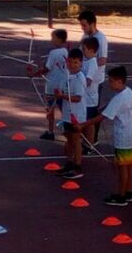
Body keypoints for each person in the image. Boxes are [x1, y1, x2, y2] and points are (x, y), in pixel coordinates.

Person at [88, 65, 132, 206]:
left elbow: (103, 117)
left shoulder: (120, 98)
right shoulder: (128, 92)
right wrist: (102, 108)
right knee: (129, 166)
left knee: (122, 168)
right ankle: (128, 192)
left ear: (119, 81)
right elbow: (110, 106)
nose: (109, 83)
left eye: (111, 81)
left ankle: (121, 196)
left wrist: (84, 124)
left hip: (123, 137)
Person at [29, 28, 71, 141]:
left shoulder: (53, 53)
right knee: (64, 109)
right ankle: (67, 130)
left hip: (52, 86)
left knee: (50, 109)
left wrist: (34, 74)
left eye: (53, 37)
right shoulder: (66, 51)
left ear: (59, 39)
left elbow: (47, 68)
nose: (51, 40)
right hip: (63, 86)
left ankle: (51, 131)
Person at [57, 48, 87, 179]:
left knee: (76, 140)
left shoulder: (80, 78)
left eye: (75, 62)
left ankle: (77, 166)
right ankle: (69, 163)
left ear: (81, 63)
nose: (72, 65)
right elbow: (63, 92)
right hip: (67, 114)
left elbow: (77, 98)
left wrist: (62, 96)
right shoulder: (67, 75)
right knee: (69, 140)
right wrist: (58, 95)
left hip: (77, 115)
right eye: (70, 62)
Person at [80, 35, 104, 147]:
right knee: (85, 121)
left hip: (90, 99)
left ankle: (90, 144)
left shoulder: (92, 63)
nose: (83, 51)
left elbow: (88, 81)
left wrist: (78, 84)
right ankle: (86, 141)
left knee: (89, 123)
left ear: (91, 50)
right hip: (85, 98)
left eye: (84, 49)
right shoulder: (87, 61)